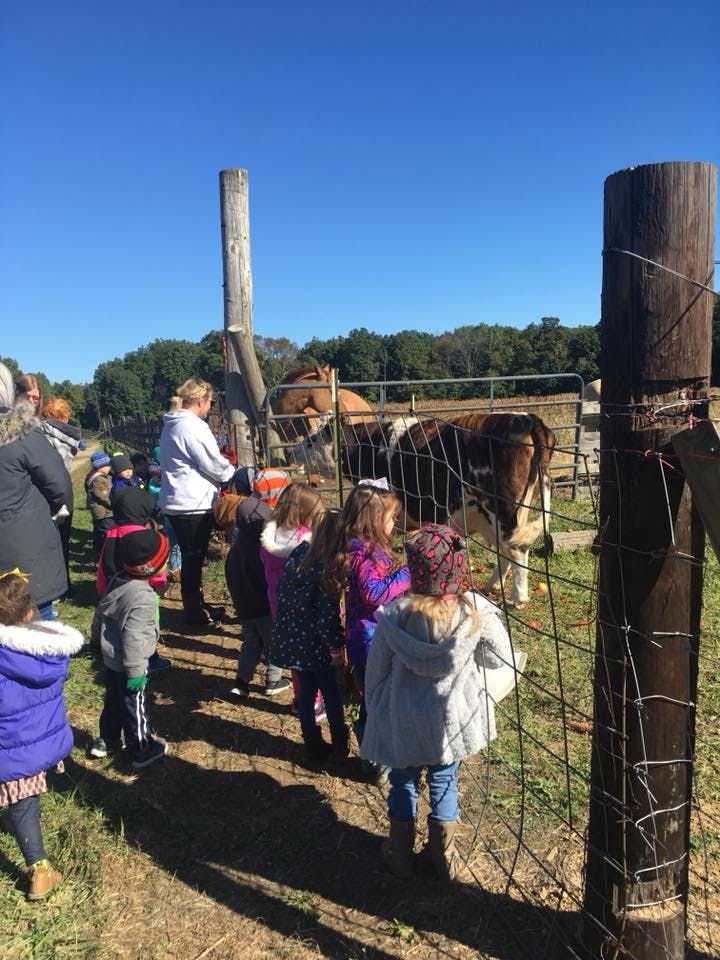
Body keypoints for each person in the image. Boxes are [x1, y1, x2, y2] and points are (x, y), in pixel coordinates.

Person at [361, 523, 513, 882]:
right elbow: (499, 659)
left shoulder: (394, 616)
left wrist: (376, 707)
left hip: (405, 720)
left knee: (403, 782)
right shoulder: (475, 613)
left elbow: (376, 671)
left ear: (414, 569)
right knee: (445, 782)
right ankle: (442, 859)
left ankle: (399, 853)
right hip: (450, 722)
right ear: (460, 568)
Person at [0, 569, 83, 900]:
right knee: (23, 800)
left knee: (21, 802)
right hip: (37, 742)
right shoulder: (47, 649)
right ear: (30, 611)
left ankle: (40, 871)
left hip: (10, 748)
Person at [336, 483, 411, 755]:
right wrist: (405, 575)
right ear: (375, 521)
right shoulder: (366, 554)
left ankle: (374, 744)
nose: (395, 522)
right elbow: (373, 592)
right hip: (370, 640)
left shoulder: (357, 546)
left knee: (373, 694)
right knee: (377, 697)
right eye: (392, 518)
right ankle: (373, 751)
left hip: (364, 634)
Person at [271, 509, 349, 762]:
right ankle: (340, 747)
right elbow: (327, 617)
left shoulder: (298, 554)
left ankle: (312, 743)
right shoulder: (327, 568)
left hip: (292, 638)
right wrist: (336, 649)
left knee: (305, 693)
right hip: (316, 645)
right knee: (331, 694)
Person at [89, 529, 170, 769]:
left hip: (111, 658)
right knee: (134, 706)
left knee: (113, 702)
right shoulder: (142, 597)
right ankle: (142, 748)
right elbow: (135, 638)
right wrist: (136, 673)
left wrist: (95, 641)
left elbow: (99, 613)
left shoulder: (118, 580)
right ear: (152, 568)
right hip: (129, 665)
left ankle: (107, 740)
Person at [158, 379, 235, 626]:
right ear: (201, 400)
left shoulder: (172, 424)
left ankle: (196, 604)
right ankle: (194, 612)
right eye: (210, 402)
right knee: (193, 557)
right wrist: (230, 472)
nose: (210, 407)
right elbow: (211, 462)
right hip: (192, 502)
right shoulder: (192, 427)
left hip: (176, 499)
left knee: (192, 556)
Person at [0, 364, 72, 618]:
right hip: (23, 546)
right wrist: (53, 512)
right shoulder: (23, 432)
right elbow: (59, 486)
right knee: (35, 621)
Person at [224, 467, 291, 699]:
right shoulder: (265, 549)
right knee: (274, 644)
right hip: (264, 606)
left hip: (244, 606)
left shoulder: (237, 548)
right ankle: (273, 681)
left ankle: (241, 681)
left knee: (250, 642)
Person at [260, 482, 325, 714]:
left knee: (297, 662)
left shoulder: (270, 535)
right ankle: (314, 702)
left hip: (278, 607)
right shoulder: (304, 544)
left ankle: (300, 699)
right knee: (312, 658)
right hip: (304, 610)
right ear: (305, 514)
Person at [38, 397, 85, 589]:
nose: (66, 419)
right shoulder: (62, 436)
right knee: (61, 538)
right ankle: (63, 583)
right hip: (61, 490)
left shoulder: (42, 432)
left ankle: (54, 584)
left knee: (50, 538)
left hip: (47, 491)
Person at [85, 451, 114, 558]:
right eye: (106, 465)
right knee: (105, 532)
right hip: (103, 512)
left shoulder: (103, 477)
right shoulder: (98, 480)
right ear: (99, 466)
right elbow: (103, 496)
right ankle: (103, 552)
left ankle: (100, 551)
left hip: (105, 511)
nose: (109, 467)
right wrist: (114, 504)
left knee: (101, 531)